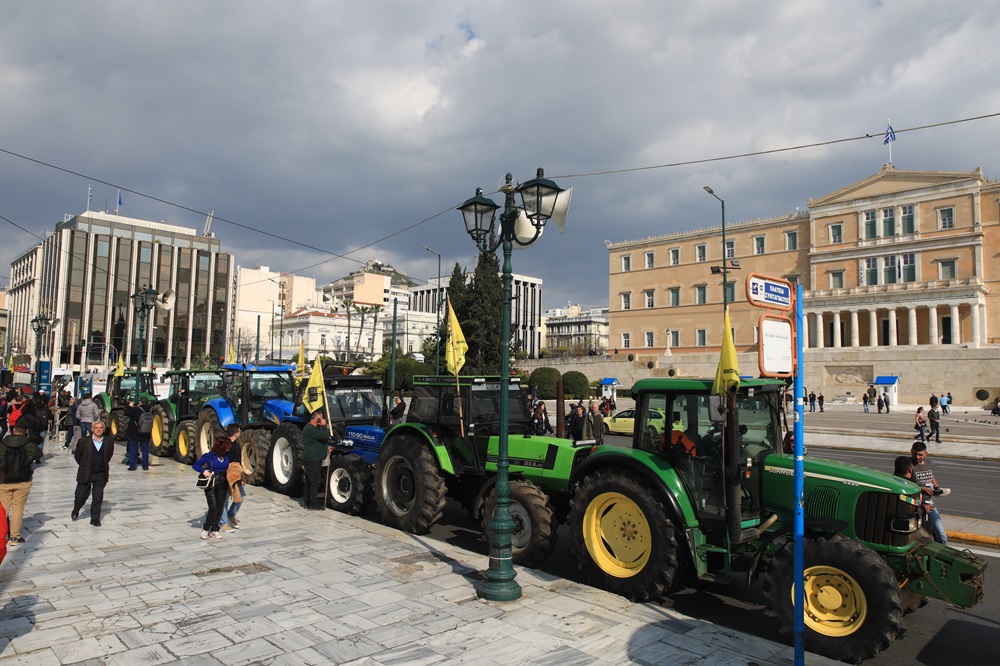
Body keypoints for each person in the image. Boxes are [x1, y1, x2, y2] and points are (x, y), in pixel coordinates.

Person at [0, 423, 42, 545]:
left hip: (4, 480)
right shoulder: (30, 445)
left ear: (14, 430)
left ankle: (1, 534)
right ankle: (15, 537)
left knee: (3, 509)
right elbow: (39, 455)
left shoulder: (2, 444)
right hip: (23, 480)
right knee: (18, 508)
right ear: (26, 431)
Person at [72, 420, 114, 526]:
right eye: (96, 428)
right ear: (92, 429)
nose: (98, 430)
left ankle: (95, 519)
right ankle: (76, 509)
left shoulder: (108, 441)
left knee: (98, 497)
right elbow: (78, 456)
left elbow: (108, 456)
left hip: (101, 474)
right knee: (81, 495)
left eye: (100, 428)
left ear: (104, 429)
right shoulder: (83, 441)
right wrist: (84, 465)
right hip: (86, 473)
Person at [193, 433, 231, 539]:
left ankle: (215, 530)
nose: (229, 448)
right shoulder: (210, 456)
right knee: (213, 507)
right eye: (227, 446)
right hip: (212, 483)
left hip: (223, 482)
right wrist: (204, 471)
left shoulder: (227, 456)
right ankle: (206, 528)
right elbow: (196, 465)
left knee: (220, 507)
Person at [910, 441, 949, 544]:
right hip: (917, 506)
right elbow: (904, 483)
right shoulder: (908, 465)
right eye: (915, 454)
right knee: (923, 537)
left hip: (929, 504)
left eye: (920, 455)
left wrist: (937, 488)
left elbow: (931, 476)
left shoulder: (929, 463)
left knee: (941, 535)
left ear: (926, 454)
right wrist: (920, 489)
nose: (917, 457)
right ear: (911, 452)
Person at [302, 409, 333, 510]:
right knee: (315, 482)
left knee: (310, 481)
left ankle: (307, 501)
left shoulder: (312, 429)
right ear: (318, 419)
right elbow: (325, 436)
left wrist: (325, 448)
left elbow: (317, 442)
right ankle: (312, 503)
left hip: (312, 458)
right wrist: (324, 426)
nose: (323, 420)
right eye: (321, 418)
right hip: (313, 459)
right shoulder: (310, 429)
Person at [220, 424, 245, 533]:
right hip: (225, 475)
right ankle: (223, 523)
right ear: (236, 433)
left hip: (236, 475)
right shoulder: (224, 444)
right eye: (239, 431)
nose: (240, 433)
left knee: (242, 496)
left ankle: (231, 514)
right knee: (224, 500)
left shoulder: (236, 443)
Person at [124, 396, 153, 471]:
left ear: (140, 402)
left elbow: (126, 413)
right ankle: (145, 466)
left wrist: (130, 406)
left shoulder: (136, 409)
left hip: (135, 432)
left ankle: (132, 466)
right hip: (146, 432)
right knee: (145, 449)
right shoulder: (151, 409)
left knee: (133, 449)